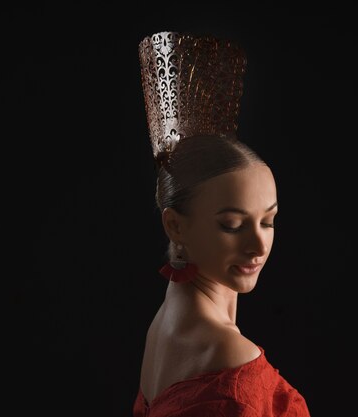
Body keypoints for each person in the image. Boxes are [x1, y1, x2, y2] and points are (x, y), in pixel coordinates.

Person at [133, 31, 311, 417]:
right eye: (232, 225)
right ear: (176, 226)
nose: (258, 245)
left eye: (268, 221)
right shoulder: (230, 359)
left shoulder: (163, 325)